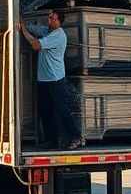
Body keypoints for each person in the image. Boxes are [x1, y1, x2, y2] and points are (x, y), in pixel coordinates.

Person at [18, 10, 83, 149]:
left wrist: (23, 30)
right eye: (49, 18)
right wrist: (22, 23)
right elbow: (34, 29)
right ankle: (52, 140)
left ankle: (76, 136)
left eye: (52, 18)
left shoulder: (58, 35)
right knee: (45, 110)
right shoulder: (46, 31)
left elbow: (36, 45)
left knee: (62, 110)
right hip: (43, 80)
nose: (49, 20)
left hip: (56, 80)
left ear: (59, 21)